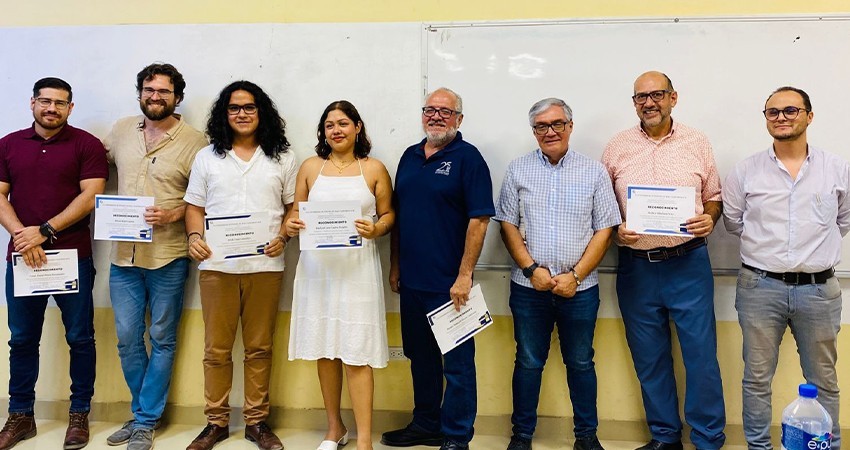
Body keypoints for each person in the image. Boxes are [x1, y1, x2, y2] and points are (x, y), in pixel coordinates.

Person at [601, 71, 726, 450]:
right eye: (641, 97)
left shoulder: (697, 142)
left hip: (688, 264)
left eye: (657, 94)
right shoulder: (617, 146)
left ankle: (707, 439)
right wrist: (615, 230)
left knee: (701, 357)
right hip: (637, 267)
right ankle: (665, 437)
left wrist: (710, 217)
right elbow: (602, 205)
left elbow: (714, 195)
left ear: (674, 97)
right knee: (649, 358)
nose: (649, 102)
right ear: (634, 103)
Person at [723, 86, 847, 450]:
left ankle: (825, 445)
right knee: (757, 378)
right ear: (766, 120)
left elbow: (842, 219)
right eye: (772, 112)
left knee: (823, 380)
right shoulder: (746, 171)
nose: (781, 117)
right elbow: (733, 221)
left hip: (819, 291)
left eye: (791, 110)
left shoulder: (838, 169)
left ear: (809, 115)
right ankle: (758, 447)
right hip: (760, 287)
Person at [495, 98, 620, 450]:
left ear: (570, 126)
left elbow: (605, 229)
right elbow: (507, 224)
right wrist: (531, 269)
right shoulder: (518, 170)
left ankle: (586, 437)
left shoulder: (593, 171)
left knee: (580, 362)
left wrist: (576, 276)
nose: (550, 131)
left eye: (557, 124)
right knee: (528, 361)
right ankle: (521, 436)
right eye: (541, 126)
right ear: (533, 131)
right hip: (528, 288)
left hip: (579, 290)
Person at [183, 80, 297, 450]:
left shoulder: (283, 156)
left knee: (260, 347)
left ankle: (256, 422)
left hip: (266, 265)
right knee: (216, 350)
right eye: (234, 108)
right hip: (216, 268)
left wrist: (284, 235)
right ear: (224, 114)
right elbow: (195, 208)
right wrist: (195, 238)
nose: (242, 114)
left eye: (249, 107)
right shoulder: (207, 157)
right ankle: (215, 422)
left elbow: (293, 207)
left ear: (261, 112)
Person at [102, 63, 208, 450]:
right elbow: (98, 168)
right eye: (149, 90)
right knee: (128, 340)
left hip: (169, 255)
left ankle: (145, 420)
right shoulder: (120, 130)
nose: (155, 97)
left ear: (177, 97)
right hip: (123, 258)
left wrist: (174, 212)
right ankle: (143, 412)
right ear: (140, 92)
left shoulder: (196, 142)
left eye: (164, 91)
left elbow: (203, 198)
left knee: (163, 338)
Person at [381, 87, 494, 450]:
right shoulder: (410, 156)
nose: (436, 116)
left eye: (445, 112)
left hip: (450, 285)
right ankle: (426, 424)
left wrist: (464, 276)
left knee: (458, 366)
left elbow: (479, 221)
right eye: (430, 110)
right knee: (421, 357)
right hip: (412, 282)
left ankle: (457, 434)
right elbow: (400, 217)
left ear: (459, 119)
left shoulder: (469, 158)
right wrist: (396, 265)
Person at [0, 77, 108, 450]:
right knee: (22, 340)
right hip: (23, 259)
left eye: (60, 103)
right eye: (45, 101)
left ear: (70, 108)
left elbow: (92, 194)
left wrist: (44, 231)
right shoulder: (8, 145)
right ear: (32, 103)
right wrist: (21, 235)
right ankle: (20, 416)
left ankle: (79, 414)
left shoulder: (86, 144)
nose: (51, 108)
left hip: (72, 257)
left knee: (80, 338)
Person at [286, 100, 395, 450]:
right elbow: (292, 216)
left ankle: (364, 438)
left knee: (357, 351)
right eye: (330, 124)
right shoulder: (309, 167)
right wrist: (291, 225)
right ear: (323, 131)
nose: (336, 129)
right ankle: (335, 429)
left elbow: (389, 215)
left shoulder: (374, 168)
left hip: (357, 270)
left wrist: (376, 229)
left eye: (344, 123)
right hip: (318, 271)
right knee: (326, 348)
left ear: (358, 127)